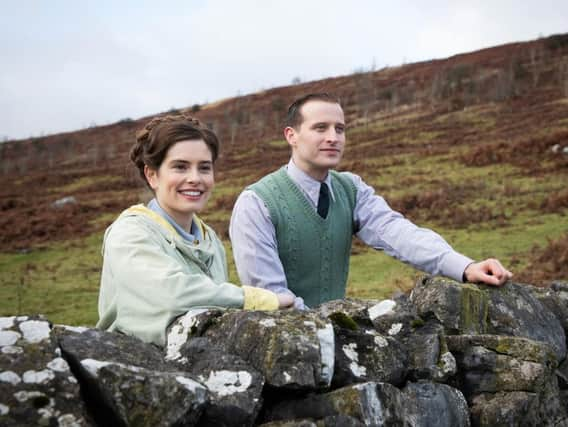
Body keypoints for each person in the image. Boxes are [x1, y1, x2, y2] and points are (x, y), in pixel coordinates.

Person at [229, 93, 513, 309]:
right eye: (320, 128)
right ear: (291, 135)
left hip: (334, 337)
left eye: (339, 129)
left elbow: (398, 233)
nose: (333, 138)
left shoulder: (351, 188)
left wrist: (464, 267)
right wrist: (326, 330)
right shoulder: (256, 203)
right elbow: (270, 296)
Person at [97, 114, 293, 346]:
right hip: (135, 366)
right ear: (152, 175)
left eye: (204, 168)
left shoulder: (210, 239)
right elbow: (172, 293)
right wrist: (258, 299)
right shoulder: (129, 233)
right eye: (180, 167)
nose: (195, 178)